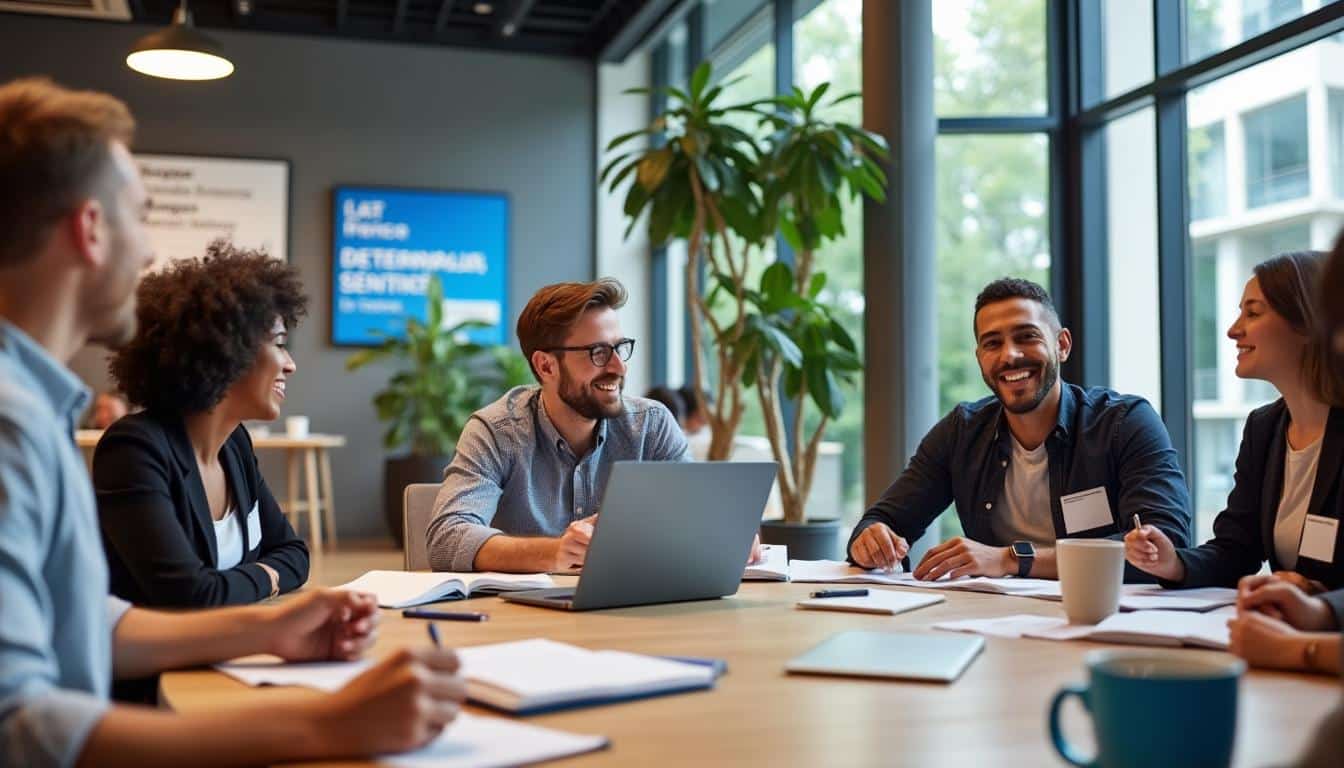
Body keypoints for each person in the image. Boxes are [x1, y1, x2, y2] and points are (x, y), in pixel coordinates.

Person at [0, 77, 464, 767]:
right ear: (91, 228)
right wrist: (325, 726)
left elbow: (83, 622)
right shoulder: (12, 426)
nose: (152, 252)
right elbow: (19, 724)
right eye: (142, 213)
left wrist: (270, 625)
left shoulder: (36, 410)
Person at [847, 277, 1193, 581]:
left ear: (1062, 345)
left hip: (1107, 619)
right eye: (992, 343)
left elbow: (1165, 543)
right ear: (980, 357)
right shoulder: (961, 432)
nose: (1009, 356)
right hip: (997, 623)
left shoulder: (1125, 422)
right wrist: (871, 542)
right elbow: (884, 520)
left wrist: (1010, 559)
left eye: (1026, 336)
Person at [426, 278, 761, 572]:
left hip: (630, 616)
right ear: (545, 366)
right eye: (598, 352)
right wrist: (553, 552)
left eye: (620, 348)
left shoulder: (652, 425)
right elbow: (448, 537)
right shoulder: (496, 432)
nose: (619, 367)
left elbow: (694, 517)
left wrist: (726, 535)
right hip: (523, 625)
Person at [92, 243, 311, 607]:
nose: (289, 364)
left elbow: (294, 555)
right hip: (156, 663)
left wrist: (241, 581)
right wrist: (266, 575)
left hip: (232, 648)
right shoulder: (134, 449)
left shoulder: (235, 445)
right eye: (278, 343)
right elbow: (189, 595)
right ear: (227, 349)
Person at [1125, 253, 1344, 592]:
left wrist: (1324, 601)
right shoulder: (1265, 428)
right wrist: (1174, 562)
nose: (1232, 330)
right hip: (1288, 629)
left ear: (1308, 322)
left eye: (1253, 313)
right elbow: (1236, 549)